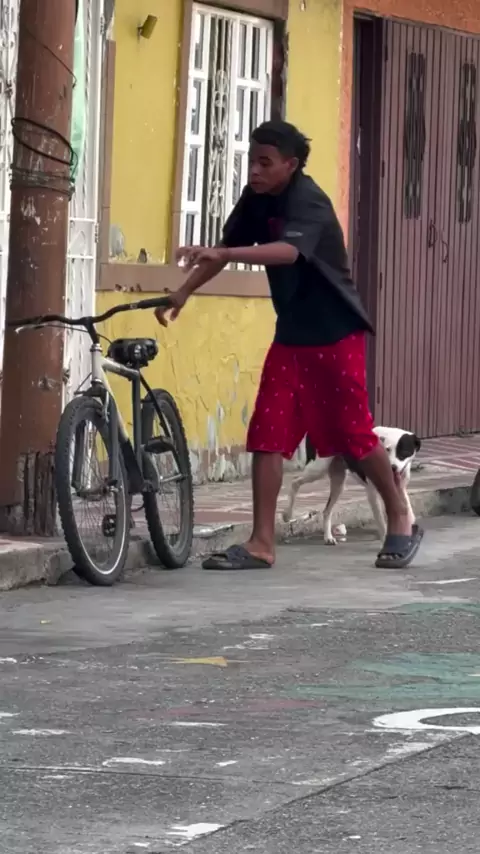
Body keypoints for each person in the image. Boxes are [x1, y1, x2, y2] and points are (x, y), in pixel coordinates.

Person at [155, 120, 423, 570]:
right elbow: (223, 249)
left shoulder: (308, 200)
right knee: (267, 433)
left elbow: (288, 252)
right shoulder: (255, 199)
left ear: (291, 165)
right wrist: (184, 291)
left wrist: (226, 254)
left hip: (336, 332)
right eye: (251, 161)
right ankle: (261, 542)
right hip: (292, 336)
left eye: (265, 163)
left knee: (354, 433)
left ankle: (400, 516)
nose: (254, 171)